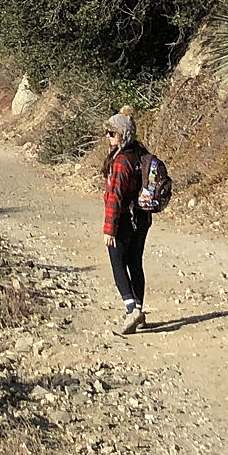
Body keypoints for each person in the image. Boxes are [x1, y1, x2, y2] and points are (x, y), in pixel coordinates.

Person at [102, 109, 151, 334]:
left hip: (124, 220)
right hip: (142, 219)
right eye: (107, 132)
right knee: (135, 263)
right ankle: (139, 309)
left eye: (112, 133)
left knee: (118, 263)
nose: (108, 137)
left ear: (123, 134)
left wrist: (109, 229)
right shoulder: (140, 153)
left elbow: (115, 198)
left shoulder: (121, 161)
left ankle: (131, 309)